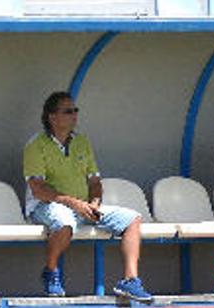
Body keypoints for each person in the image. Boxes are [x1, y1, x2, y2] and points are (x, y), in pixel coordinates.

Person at [23, 91, 153, 301]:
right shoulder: (35, 145)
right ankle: (51, 272)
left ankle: (130, 281)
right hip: (46, 205)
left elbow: (94, 181)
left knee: (133, 219)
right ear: (52, 117)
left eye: (76, 110)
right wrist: (73, 203)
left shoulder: (82, 142)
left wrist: (94, 203)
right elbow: (38, 189)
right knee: (64, 223)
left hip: (82, 206)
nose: (74, 115)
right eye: (68, 111)